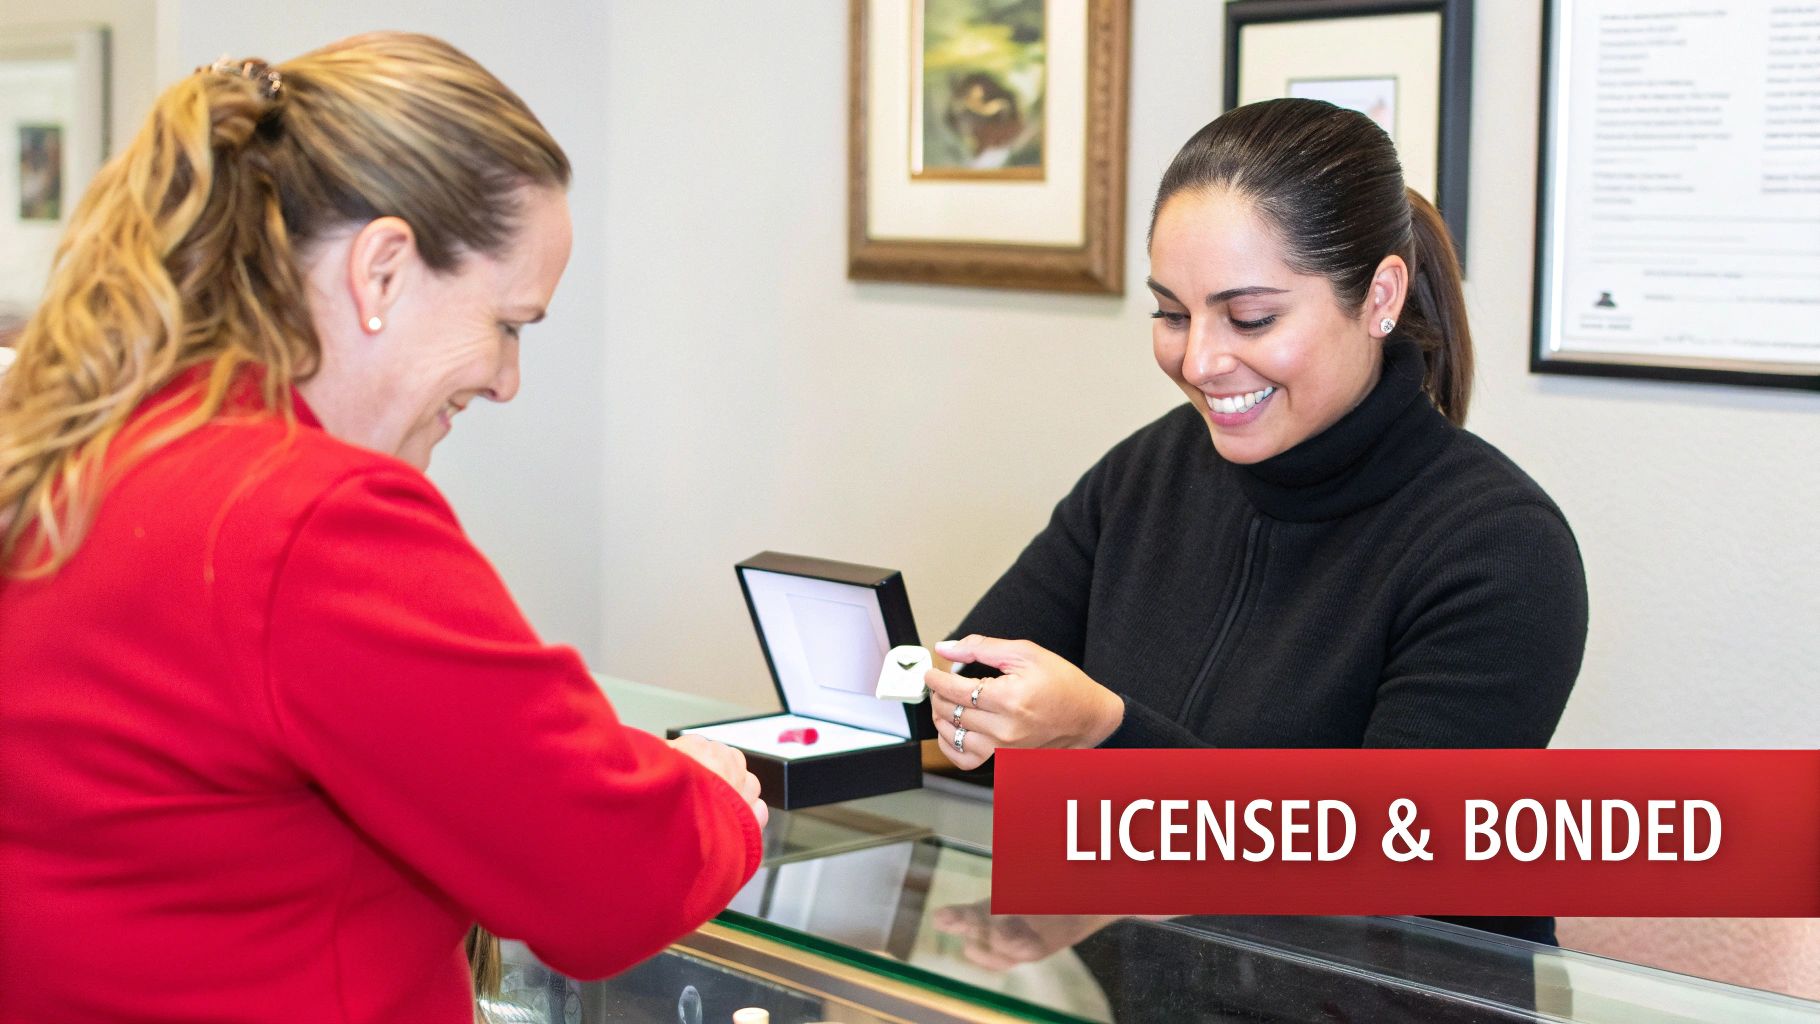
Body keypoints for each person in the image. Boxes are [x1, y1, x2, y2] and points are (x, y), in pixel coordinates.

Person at [0, 34, 766, 1023]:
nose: (506, 379)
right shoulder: (309, 518)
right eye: (508, 323)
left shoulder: (83, 445)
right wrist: (706, 795)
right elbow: (608, 878)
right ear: (384, 270)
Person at [922, 99, 1588, 943]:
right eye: (1172, 313)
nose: (1199, 361)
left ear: (1380, 296)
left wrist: (1101, 733)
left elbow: (1374, 875)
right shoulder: (1151, 471)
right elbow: (974, 704)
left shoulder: (1500, 549)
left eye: (1251, 318)